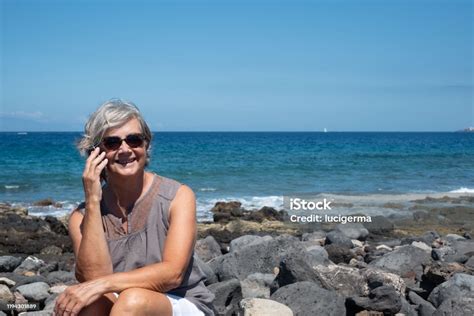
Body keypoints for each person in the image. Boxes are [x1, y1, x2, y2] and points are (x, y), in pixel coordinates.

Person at [54, 99, 215, 316]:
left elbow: (172, 274)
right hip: (122, 303)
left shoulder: (177, 196)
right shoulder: (81, 217)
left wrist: (103, 285)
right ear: (96, 152)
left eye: (134, 140)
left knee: (132, 300)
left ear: (146, 144)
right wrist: (93, 201)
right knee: (89, 306)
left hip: (182, 301)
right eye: (112, 142)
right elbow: (93, 278)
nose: (124, 149)